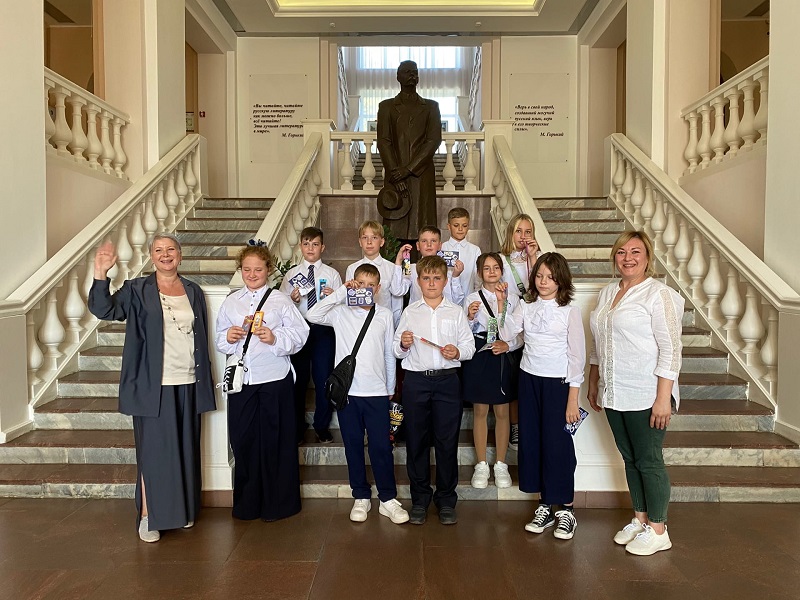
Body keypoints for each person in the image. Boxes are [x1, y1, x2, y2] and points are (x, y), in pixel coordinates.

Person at [88, 234, 216, 543]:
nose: (165, 254)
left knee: (185, 449)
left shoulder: (193, 291)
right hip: (153, 385)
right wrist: (100, 274)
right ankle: (149, 516)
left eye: (171, 249)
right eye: (158, 250)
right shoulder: (137, 289)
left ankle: (183, 511)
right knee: (154, 453)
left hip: (189, 381)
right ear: (151, 256)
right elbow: (105, 310)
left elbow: (199, 336)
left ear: (180, 255)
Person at [588, 231, 684, 556]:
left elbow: (671, 349)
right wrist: (594, 380)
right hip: (614, 390)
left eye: (635, 252)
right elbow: (598, 342)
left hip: (646, 392)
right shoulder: (607, 292)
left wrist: (663, 398)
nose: (627, 258)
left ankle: (658, 530)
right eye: (621, 252)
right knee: (630, 458)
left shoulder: (659, 294)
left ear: (647, 257)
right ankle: (641, 519)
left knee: (649, 460)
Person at [307, 264, 409, 525]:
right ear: (354, 283)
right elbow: (312, 314)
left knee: (381, 446)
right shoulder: (341, 311)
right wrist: (342, 291)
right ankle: (360, 495)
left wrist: (389, 388)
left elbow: (389, 353)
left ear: (378, 288)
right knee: (352, 444)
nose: (365, 288)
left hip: (376, 392)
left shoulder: (384, 314)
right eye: (360, 283)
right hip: (348, 393)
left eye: (370, 285)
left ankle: (387, 498)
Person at [216, 244, 309, 522]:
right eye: (247, 269)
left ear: (268, 270)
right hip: (243, 381)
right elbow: (220, 338)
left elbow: (301, 333)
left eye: (258, 269)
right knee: (243, 440)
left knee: (276, 441)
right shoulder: (231, 302)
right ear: (240, 270)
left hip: (274, 379)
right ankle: (247, 504)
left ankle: (278, 505)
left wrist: (275, 338)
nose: (252, 274)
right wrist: (229, 337)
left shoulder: (280, 300)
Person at [501, 253, 585, 540]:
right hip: (529, 380)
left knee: (558, 445)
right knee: (533, 442)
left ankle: (567, 510)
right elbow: (506, 333)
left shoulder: (570, 312)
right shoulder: (526, 306)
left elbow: (577, 357)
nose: (544, 281)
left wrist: (573, 399)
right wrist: (503, 304)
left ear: (561, 280)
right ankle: (545, 506)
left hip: (558, 384)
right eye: (539, 276)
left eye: (550, 277)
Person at [394, 255, 475, 526]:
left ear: (445, 280)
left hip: (447, 382)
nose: (431, 283)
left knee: (446, 442)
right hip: (416, 382)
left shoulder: (455, 312)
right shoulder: (410, 312)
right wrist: (403, 344)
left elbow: (469, 346)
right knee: (416, 441)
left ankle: (446, 499)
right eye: (426, 278)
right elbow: (396, 349)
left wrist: (458, 352)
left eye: (437, 278)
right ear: (418, 281)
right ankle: (419, 499)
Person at [463, 253, 521, 490]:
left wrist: (509, 345)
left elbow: (521, 334)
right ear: (479, 273)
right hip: (480, 354)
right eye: (486, 268)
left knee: (502, 411)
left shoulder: (513, 299)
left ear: (502, 271)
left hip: (502, 355)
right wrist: (469, 317)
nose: (492, 272)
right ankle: (481, 464)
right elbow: (463, 333)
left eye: (496, 267)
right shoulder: (471, 298)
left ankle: (500, 464)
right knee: (480, 410)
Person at [279, 227, 342, 443]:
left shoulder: (332, 275)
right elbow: (281, 306)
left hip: (323, 330)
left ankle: (321, 426)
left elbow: (341, 307)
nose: (310, 248)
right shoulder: (291, 275)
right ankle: (297, 427)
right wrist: (292, 299)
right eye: (306, 244)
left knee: (324, 378)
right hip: (299, 329)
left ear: (322, 247)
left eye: (315, 244)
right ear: (300, 247)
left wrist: (334, 297)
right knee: (299, 379)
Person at [376, 60, 442, 242]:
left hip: (421, 175)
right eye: (407, 71)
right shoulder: (386, 107)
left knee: (422, 231)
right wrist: (397, 174)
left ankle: (423, 261)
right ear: (398, 77)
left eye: (415, 72)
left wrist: (408, 169)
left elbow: (433, 140)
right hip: (395, 175)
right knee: (394, 231)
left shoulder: (431, 107)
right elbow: (384, 141)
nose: (412, 75)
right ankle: (397, 261)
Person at [499, 214, 540, 451]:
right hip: (511, 320)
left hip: (534, 321)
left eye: (528, 231)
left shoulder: (540, 258)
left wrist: (533, 257)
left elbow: (540, 286)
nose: (523, 236)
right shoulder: (501, 260)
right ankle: (515, 425)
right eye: (518, 231)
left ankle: (531, 425)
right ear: (510, 233)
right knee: (514, 379)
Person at [345, 220, 405, 326]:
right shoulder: (352, 268)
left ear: (382, 242)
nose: (369, 242)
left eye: (374, 238)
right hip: (358, 323)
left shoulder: (392, 268)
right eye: (365, 238)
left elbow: (396, 303)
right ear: (360, 242)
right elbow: (349, 300)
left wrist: (395, 326)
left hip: (383, 323)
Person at [392, 226, 465, 306]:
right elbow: (397, 291)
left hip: (444, 312)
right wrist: (398, 261)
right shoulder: (410, 268)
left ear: (440, 245)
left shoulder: (450, 269)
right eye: (424, 241)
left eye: (433, 241)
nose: (429, 244)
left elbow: (458, 301)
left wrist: (455, 276)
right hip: (418, 312)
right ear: (418, 245)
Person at [442, 207, 482, 300]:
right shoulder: (442, 248)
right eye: (456, 225)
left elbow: (478, 280)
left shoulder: (475, 250)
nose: (460, 229)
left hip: (469, 299)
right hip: (446, 300)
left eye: (464, 225)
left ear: (468, 227)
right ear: (449, 227)